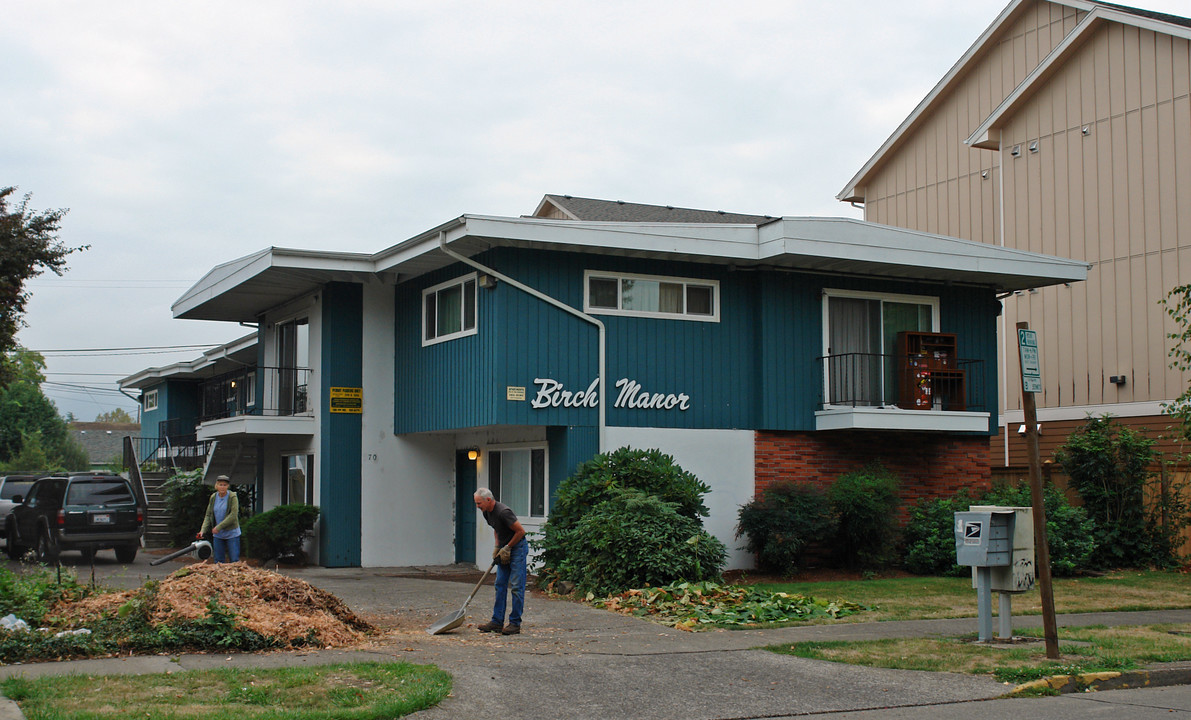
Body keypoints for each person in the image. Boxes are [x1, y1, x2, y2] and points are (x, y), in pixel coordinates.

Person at [473, 487, 527, 635]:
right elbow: (496, 529)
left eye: (479, 503)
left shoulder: (504, 512)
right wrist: (497, 547)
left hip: (518, 548)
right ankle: (497, 622)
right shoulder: (486, 513)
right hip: (504, 548)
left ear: (488, 500)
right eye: (476, 504)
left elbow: (521, 531)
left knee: (516, 586)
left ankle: (515, 624)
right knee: (500, 584)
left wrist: (508, 548)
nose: (478, 507)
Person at [198, 475, 241, 563]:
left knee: (234, 560)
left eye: (224, 485)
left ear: (228, 486)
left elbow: (233, 515)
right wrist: (203, 530)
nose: (222, 487)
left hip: (231, 533)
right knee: (218, 561)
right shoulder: (213, 497)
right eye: (220, 485)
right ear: (216, 485)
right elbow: (208, 515)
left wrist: (219, 527)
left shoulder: (232, 497)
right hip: (218, 535)